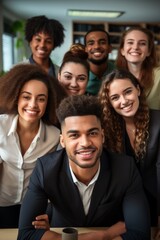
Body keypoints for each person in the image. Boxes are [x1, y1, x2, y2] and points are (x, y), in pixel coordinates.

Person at [17, 94, 150, 240]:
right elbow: (26, 234)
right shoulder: (45, 169)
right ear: (63, 141)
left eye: (92, 133)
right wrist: (103, 236)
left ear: (102, 136)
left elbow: (140, 235)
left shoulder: (125, 168)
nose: (85, 143)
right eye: (74, 135)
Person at [98, 69, 160, 239]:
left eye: (128, 92)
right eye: (115, 97)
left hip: (157, 203)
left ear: (138, 90)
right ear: (109, 103)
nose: (124, 101)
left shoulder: (158, 122)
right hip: (123, 207)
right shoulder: (108, 130)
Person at [0, 64, 60, 228]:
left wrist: (50, 212)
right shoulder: (1, 126)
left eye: (41, 99)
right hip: (2, 204)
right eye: (26, 97)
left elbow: (53, 180)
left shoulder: (54, 136)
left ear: (48, 102)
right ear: (16, 97)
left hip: (34, 209)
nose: (33, 104)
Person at [116, 26, 160, 110]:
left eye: (142, 43)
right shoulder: (113, 78)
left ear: (149, 51)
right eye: (130, 42)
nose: (135, 47)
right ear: (122, 50)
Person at [84, 28, 115, 96]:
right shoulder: (78, 73)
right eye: (91, 43)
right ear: (85, 49)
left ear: (110, 48)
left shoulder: (118, 72)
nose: (97, 46)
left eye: (102, 43)